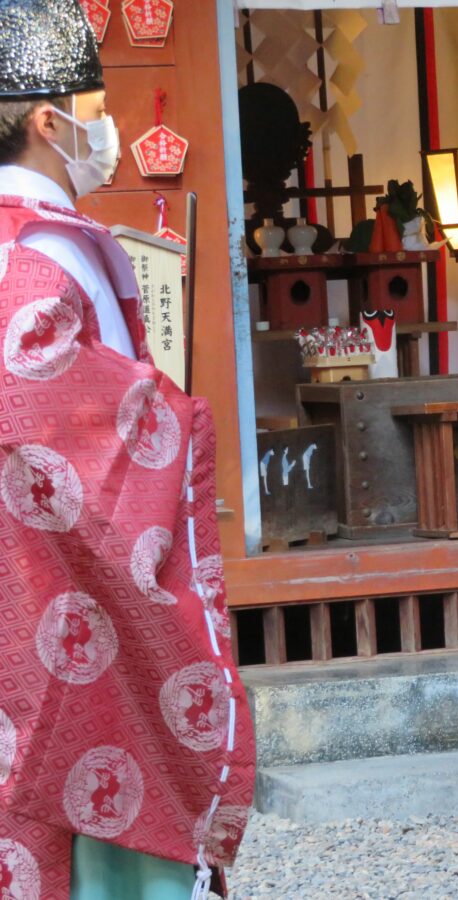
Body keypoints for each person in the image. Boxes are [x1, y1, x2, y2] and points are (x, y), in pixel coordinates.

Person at [0, 2, 255, 897]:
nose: (104, 127)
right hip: (68, 603)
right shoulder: (59, 255)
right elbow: (123, 451)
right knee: (101, 792)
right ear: (48, 122)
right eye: (95, 107)